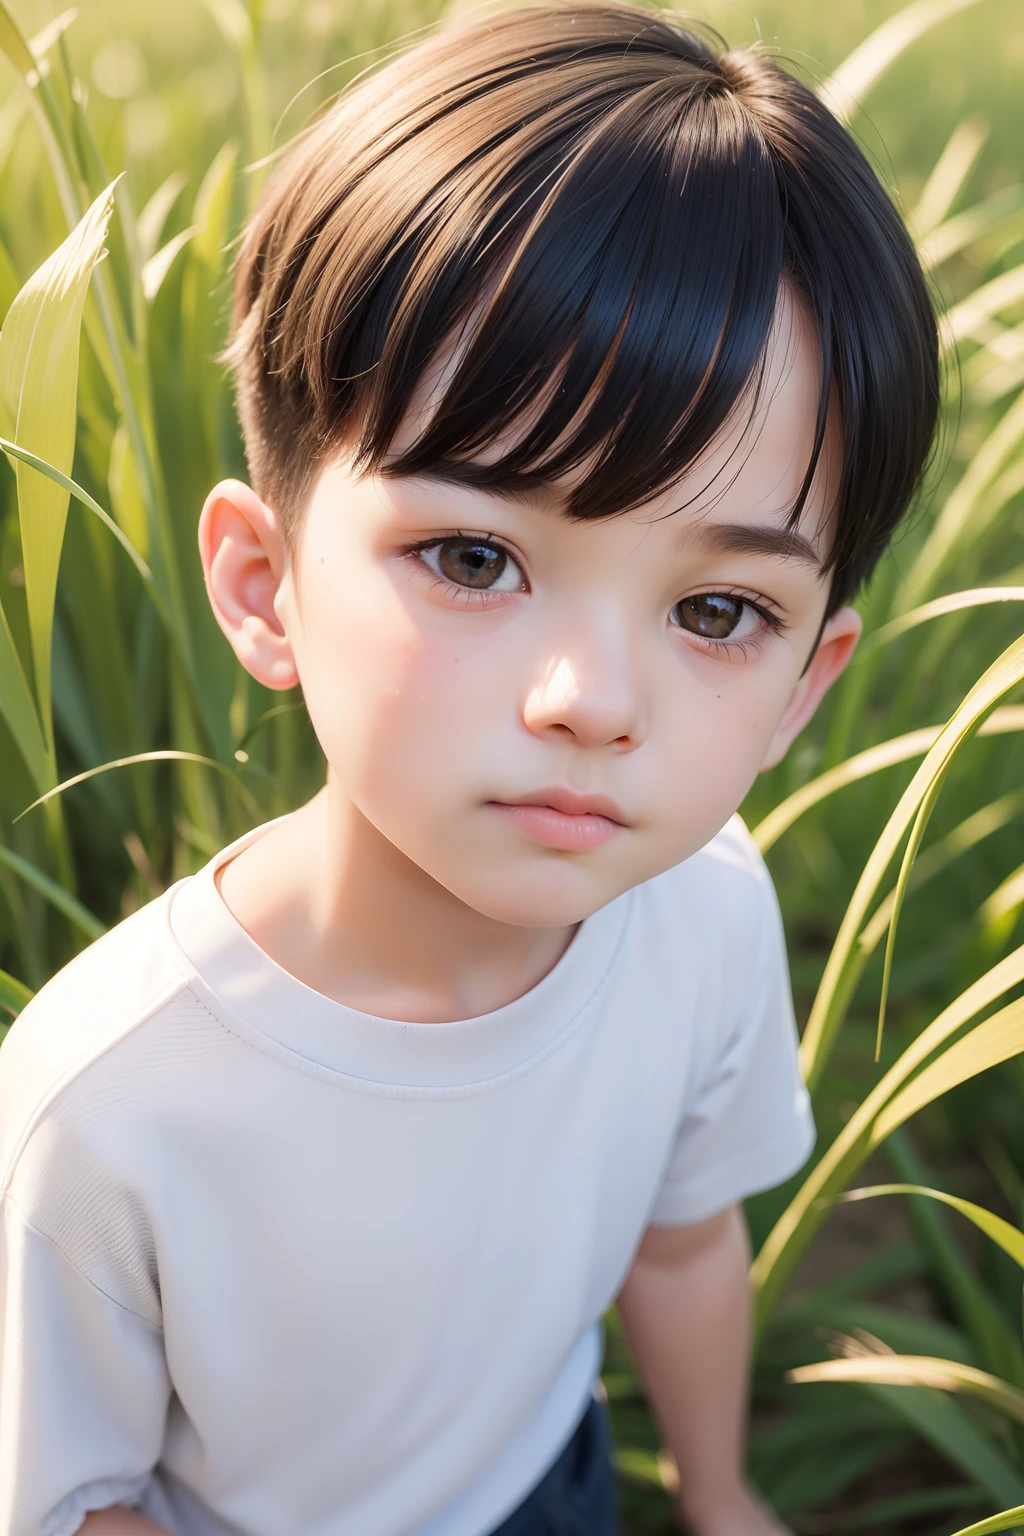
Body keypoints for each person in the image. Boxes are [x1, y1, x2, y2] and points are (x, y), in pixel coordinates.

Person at [0, 3, 940, 1534]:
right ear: (264, 583)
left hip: (555, 1486)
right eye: (472, 555)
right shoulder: (112, 1099)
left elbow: (686, 1243)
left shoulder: (703, 917)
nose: (590, 699)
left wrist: (719, 1497)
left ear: (799, 690)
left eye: (718, 610)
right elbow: (77, 1495)